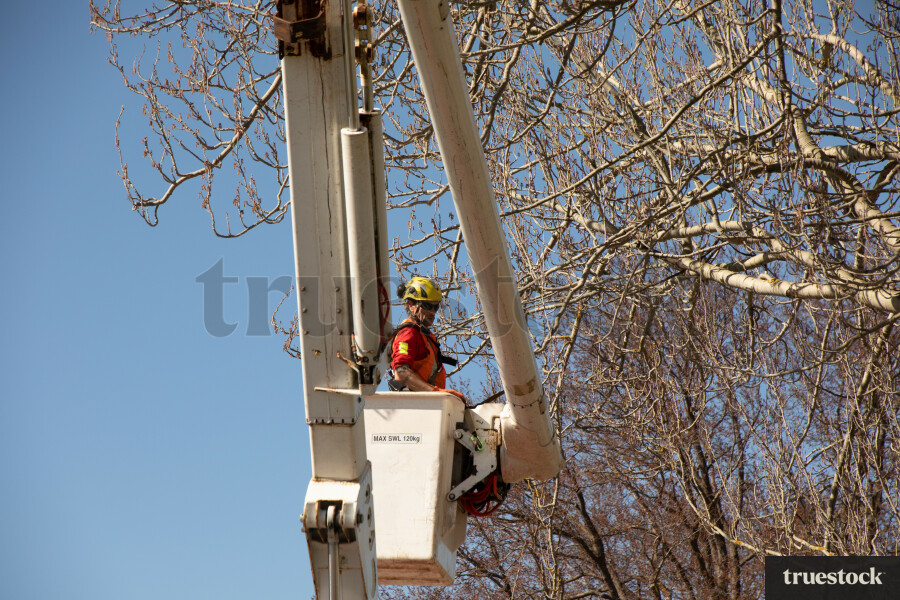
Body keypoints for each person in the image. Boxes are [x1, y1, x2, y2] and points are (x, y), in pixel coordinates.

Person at [388, 276, 466, 402]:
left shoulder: (424, 335)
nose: (432, 312)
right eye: (427, 306)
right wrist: (436, 393)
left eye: (436, 307)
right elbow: (401, 372)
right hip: (415, 405)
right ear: (411, 305)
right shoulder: (409, 333)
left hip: (427, 404)